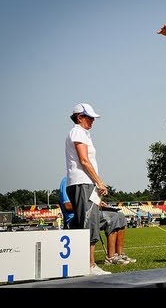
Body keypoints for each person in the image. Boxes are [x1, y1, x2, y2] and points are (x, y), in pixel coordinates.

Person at [64, 103, 111, 275]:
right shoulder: (77, 132)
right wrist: (99, 182)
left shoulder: (83, 133)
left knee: (91, 220)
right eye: (89, 117)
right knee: (88, 222)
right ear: (79, 117)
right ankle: (89, 265)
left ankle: (85, 264)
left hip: (84, 183)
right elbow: (84, 160)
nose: (92, 121)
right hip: (82, 182)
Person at [59, 176, 136, 265]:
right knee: (113, 217)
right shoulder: (67, 181)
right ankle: (110, 257)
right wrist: (92, 205)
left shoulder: (86, 180)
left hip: (90, 213)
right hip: (75, 219)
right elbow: (67, 206)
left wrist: (98, 203)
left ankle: (119, 254)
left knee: (121, 216)